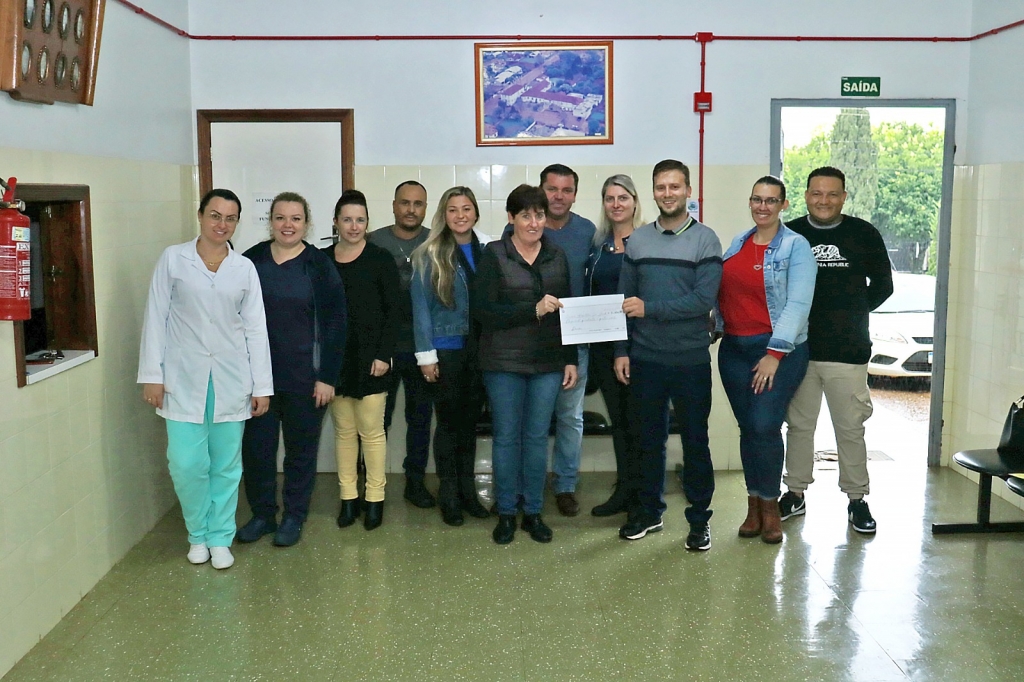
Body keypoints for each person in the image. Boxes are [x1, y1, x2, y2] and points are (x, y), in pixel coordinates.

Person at [138, 188, 273, 570]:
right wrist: (152, 375)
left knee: (226, 466)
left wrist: (262, 386)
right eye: (215, 215)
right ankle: (197, 533)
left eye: (230, 218)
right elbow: (156, 317)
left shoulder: (244, 268)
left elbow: (256, 329)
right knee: (186, 463)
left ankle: (219, 537)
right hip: (182, 378)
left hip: (231, 379)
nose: (222, 224)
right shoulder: (173, 259)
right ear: (200, 215)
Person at [614, 160, 722, 550]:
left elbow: (702, 300)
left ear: (688, 191)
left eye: (675, 187)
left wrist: (651, 309)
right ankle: (649, 512)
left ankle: (699, 520)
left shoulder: (706, 240)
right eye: (661, 187)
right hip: (645, 359)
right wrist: (621, 350)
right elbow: (624, 301)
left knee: (695, 440)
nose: (668, 193)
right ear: (653, 192)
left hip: (690, 359)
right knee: (647, 440)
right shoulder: (638, 241)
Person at [780, 167, 894, 534]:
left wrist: (853, 312)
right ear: (806, 195)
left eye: (832, 194)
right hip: (800, 350)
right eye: (816, 193)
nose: (824, 200)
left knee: (850, 429)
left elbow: (884, 285)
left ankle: (857, 499)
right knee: (799, 427)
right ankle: (794, 493)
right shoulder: (790, 234)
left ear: (843, 197)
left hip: (848, 351)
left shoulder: (864, 233)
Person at [238, 192, 347, 547]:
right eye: (281, 218)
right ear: (270, 221)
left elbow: (336, 323)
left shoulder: (318, 265)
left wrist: (327, 377)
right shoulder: (251, 261)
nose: (288, 225)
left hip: (306, 379)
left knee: (301, 453)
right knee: (258, 452)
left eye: (296, 218)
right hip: (259, 381)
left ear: (307, 223)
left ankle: (294, 517)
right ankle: (263, 515)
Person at [475, 184, 578, 544]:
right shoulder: (494, 254)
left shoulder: (556, 256)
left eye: (539, 215)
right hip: (502, 363)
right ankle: (506, 512)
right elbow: (484, 313)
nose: (534, 223)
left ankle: (533, 512)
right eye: (525, 215)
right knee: (506, 438)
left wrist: (570, 359)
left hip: (547, 363)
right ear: (511, 218)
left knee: (536, 439)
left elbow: (567, 313)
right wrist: (532, 310)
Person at [716, 177, 816, 544]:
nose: (763, 206)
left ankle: (772, 508)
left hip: (778, 351)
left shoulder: (796, 246)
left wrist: (774, 354)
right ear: (750, 202)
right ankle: (754, 505)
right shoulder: (738, 243)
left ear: (784, 205)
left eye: (771, 200)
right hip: (734, 350)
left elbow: (798, 304)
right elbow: (724, 293)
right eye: (757, 199)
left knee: (765, 426)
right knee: (748, 428)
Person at [501, 164, 595, 516]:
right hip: (525, 339)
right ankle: (521, 489)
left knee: (569, 417)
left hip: (573, 339)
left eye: (566, 190)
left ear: (575, 195)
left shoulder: (587, 231)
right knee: (526, 423)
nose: (559, 196)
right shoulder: (512, 233)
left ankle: (565, 485)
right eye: (552, 189)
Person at [410, 187, 490, 526]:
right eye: (453, 209)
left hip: (480, 350)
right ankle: (449, 495)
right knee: (448, 425)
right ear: (444, 215)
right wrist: (426, 355)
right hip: (446, 350)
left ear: (475, 213)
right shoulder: (428, 254)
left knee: (469, 425)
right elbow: (421, 308)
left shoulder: (488, 250)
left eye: (466, 208)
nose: (460, 215)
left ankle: (469, 493)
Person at [324, 189, 400, 531]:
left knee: (371, 433)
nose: (354, 226)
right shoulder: (322, 261)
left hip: (372, 361)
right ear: (336, 222)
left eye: (360, 220)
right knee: (344, 432)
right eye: (347, 220)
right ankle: (348, 498)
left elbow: (394, 312)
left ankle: (374, 500)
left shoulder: (381, 259)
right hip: (336, 362)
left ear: (367, 223)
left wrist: (384, 354)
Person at [368, 181, 436, 509]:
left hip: (423, 347)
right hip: (383, 348)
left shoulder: (436, 241)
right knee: (376, 420)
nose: (411, 209)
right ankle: (371, 485)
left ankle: (415, 482)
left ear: (426, 208)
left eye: (418, 204)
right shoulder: (374, 241)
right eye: (405, 203)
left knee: (420, 418)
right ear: (394, 205)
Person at [588, 174, 644, 517]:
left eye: (623, 197)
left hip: (641, 346)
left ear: (635, 201)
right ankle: (624, 490)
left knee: (641, 421)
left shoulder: (649, 241)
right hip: (604, 348)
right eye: (610, 198)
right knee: (620, 422)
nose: (616, 204)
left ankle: (643, 495)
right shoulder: (598, 246)